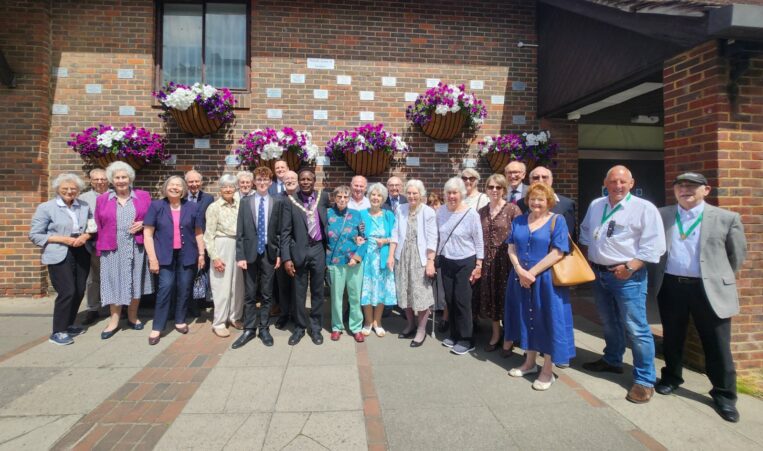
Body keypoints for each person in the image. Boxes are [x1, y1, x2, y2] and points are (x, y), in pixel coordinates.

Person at [650, 172, 747, 422]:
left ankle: (725, 395)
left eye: (692, 186)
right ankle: (671, 378)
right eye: (680, 186)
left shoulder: (726, 218)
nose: (685, 190)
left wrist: (716, 277)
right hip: (671, 286)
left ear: (707, 190)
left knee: (716, 344)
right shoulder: (663, 215)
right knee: (672, 337)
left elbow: (736, 256)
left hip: (709, 288)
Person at [579, 165, 666, 403]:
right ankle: (612, 360)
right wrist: (589, 260)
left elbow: (655, 245)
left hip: (628, 276)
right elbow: (586, 232)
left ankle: (644, 380)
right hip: (599, 274)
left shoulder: (643, 208)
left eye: (622, 182)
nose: (617, 186)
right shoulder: (597, 205)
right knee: (609, 322)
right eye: (613, 182)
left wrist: (630, 268)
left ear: (631, 183)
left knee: (636, 328)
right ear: (605, 183)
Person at [505, 183, 574, 391]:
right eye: (533, 199)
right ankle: (529, 362)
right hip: (519, 278)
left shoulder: (557, 220)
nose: (536, 203)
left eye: (541, 200)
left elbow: (558, 252)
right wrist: (519, 270)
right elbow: (511, 247)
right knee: (526, 318)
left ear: (549, 202)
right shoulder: (518, 220)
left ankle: (547, 370)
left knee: (547, 321)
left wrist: (531, 273)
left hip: (545, 281)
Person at [29, 173, 93, 345]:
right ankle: (57, 331)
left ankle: (69, 324)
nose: (70, 191)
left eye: (73, 188)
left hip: (81, 250)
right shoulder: (46, 207)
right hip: (59, 251)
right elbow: (35, 235)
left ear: (79, 190)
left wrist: (85, 236)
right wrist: (63, 239)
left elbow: (92, 226)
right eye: (65, 188)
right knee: (67, 291)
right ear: (58, 189)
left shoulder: (84, 206)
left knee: (79, 290)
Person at [143, 176, 206, 346]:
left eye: (179, 185)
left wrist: (201, 254)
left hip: (188, 254)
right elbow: (147, 234)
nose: (175, 188)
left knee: (185, 287)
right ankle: (157, 326)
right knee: (165, 288)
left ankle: (180, 320)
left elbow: (198, 232)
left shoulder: (192, 207)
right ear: (166, 188)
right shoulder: (157, 206)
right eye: (172, 185)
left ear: (183, 189)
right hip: (164, 255)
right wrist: (152, 258)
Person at [94, 162, 153, 339]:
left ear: (130, 179)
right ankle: (114, 321)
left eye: (124, 177)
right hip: (112, 247)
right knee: (113, 282)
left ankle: (133, 316)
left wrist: (143, 223)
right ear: (112, 180)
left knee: (135, 281)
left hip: (136, 246)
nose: (120, 181)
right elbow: (98, 223)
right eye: (117, 177)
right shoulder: (103, 199)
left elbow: (152, 217)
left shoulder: (143, 196)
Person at [232, 167, 283, 349]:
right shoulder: (246, 202)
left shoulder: (276, 202)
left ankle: (264, 328)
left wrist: (278, 255)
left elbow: (279, 232)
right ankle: (249, 328)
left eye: (265, 180)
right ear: (255, 182)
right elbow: (240, 231)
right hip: (250, 253)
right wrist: (240, 255)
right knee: (250, 293)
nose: (262, 183)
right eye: (259, 180)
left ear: (270, 182)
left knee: (267, 293)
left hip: (269, 253)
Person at [280, 169, 330, 346]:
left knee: (318, 291)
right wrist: (286, 258)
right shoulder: (290, 201)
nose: (306, 182)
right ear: (299, 181)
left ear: (314, 180)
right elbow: (285, 233)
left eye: (309, 179)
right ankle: (300, 328)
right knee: (299, 293)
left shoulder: (323, 198)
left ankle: (316, 328)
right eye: (303, 179)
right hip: (299, 252)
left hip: (318, 249)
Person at [436, 177, 484, 355]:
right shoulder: (441, 211)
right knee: (449, 299)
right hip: (447, 259)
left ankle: (467, 339)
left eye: (455, 192)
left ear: (461, 193)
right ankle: (454, 334)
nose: (451, 196)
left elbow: (479, 241)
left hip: (466, 261)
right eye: (448, 193)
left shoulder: (471, 214)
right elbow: (437, 236)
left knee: (462, 300)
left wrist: (479, 264)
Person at [389, 179, 437, 347]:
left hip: (420, 258)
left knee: (421, 294)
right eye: (409, 193)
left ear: (421, 194)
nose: (411, 196)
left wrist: (430, 262)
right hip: (402, 257)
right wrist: (391, 256)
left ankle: (421, 330)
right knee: (405, 291)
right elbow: (394, 234)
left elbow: (432, 239)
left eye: (415, 193)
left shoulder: (428, 212)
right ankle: (410, 324)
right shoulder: (400, 209)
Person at [478, 174, 521, 352]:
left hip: (507, 262)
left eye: (498, 187)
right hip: (488, 262)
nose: (494, 190)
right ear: (486, 189)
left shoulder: (512, 210)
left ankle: (509, 337)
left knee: (507, 299)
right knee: (492, 298)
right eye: (491, 187)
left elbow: (520, 236)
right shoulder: (481, 212)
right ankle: (495, 334)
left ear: (504, 190)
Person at [204, 174, 244, 338]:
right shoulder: (214, 207)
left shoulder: (240, 205)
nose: (228, 189)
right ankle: (219, 322)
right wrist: (215, 257)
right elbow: (208, 235)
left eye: (231, 186)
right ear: (220, 189)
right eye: (225, 187)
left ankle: (235, 316)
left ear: (235, 188)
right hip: (222, 245)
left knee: (238, 285)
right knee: (221, 286)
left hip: (239, 246)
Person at [325, 186, 366, 342]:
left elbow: (364, 239)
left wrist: (356, 257)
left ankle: (356, 327)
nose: (342, 199)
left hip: (353, 262)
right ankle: (337, 326)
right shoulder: (328, 214)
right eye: (339, 196)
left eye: (345, 197)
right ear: (334, 198)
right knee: (336, 296)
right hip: (335, 262)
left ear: (349, 199)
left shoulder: (356, 215)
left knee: (355, 296)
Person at [359, 183, 397, 336]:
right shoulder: (361, 214)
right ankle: (368, 321)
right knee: (366, 289)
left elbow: (395, 236)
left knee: (381, 290)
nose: (375, 197)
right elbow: (356, 234)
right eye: (373, 194)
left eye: (379, 195)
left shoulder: (389, 215)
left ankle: (378, 322)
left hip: (382, 257)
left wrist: (386, 241)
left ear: (383, 199)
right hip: (366, 258)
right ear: (369, 196)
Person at [78, 168, 109, 326]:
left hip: (112, 244)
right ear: (90, 181)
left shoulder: (114, 195)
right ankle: (92, 308)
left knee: (114, 276)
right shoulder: (83, 199)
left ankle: (119, 306)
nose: (100, 182)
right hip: (93, 243)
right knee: (93, 278)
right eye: (96, 179)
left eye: (103, 179)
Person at [517, 166, 578, 242]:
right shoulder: (521, 203)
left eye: (544, 177)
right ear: (530, 181)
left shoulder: (566, 204)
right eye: (536, 177)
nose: (540, 180)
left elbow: (569, 238)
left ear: (551, 180)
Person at [185, 170, 214, 317]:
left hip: (202, 239)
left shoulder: (208, 198)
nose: (194, 184)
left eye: (197, 181)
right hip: (185, 240)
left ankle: (197, 304)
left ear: (201, 182)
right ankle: (187, 304)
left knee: (200, 272)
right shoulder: (182, 197)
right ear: (186, 183)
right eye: (191, 182)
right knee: (187, 273)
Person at [274, 170, 299, 330]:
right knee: (282, 284)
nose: (290, 180)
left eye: (292, 178)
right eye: (287, 178)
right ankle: (284, 314)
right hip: (281, 247)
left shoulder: (303, 199)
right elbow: (274, 226)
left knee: (298, 285)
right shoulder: (277, 199)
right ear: (282, 181)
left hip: (298, 248)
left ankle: (297, 315)